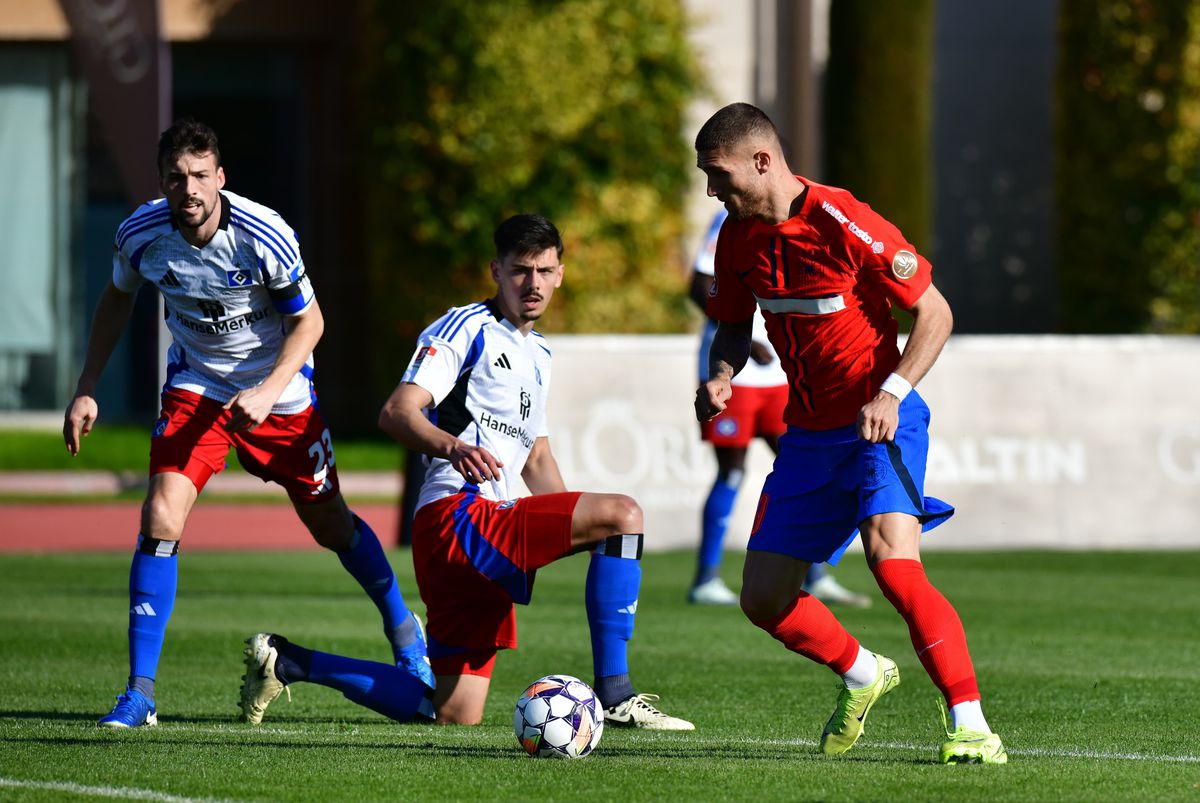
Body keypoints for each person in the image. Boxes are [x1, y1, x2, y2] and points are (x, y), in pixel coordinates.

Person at [240, 214, 693, 730]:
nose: (534, 283)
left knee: (454, 713)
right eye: (521, 270)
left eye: (545, 271)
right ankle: (615, 693)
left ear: (561, 273)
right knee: (624, 513)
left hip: (471, 538)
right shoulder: (466, 326)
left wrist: (571, 530)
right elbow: (397, 412)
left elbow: (537, 459)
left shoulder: (539, 352)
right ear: (495, 270)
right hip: (459, 515)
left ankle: (290, 660)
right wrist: (452, 447)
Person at [63, 119, 432, 729]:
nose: (190, 190)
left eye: (201, 176)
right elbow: (117, 298)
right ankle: (140, 693)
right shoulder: (141, 235)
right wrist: (86, 387)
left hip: (280, 395)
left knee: (331, 524)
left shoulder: (265, 236)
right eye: (177, 179)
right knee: (160, 515)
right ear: (162, 182)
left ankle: (403, 629)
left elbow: (310, 325)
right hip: (198, 388)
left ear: (221, 178)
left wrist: (267, 389)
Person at [693, 103, 1006, 764]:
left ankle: (971, 723)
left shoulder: (843, 220)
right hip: (807, 435)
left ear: (762, 160)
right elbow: (729, 321)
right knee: (763, 598)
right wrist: (721, 373)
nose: (711, 190)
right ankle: (864, 673)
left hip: (878, 419)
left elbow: (935, 312)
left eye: (718, 175)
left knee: (892, 564)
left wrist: (893, 392)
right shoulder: (735, 237)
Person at [688, 207, 871, 609]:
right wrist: (744, 340)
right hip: (737, 377)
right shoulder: (728, 223)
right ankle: (706, 578)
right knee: (732, 471)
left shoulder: (803, 223)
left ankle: (816, 575)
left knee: (805, 470)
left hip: (779, 379)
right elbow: (698, 284)